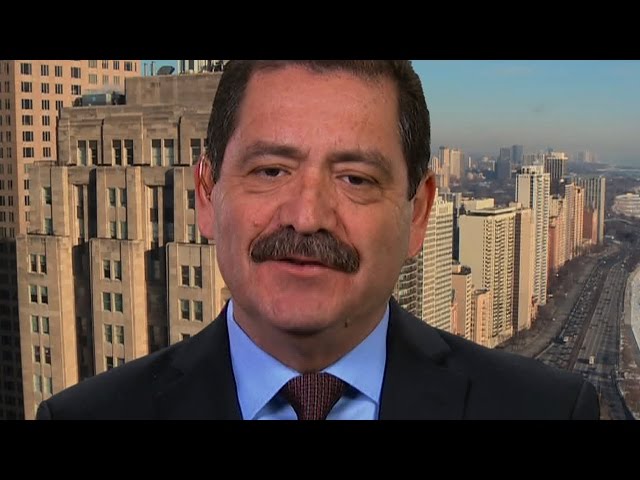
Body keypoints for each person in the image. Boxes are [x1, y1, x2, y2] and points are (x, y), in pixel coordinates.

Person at [36, 60, 599, 420]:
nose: (306, 217)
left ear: (419, 211)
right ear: (206, 195)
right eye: (270, 170)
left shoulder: (547, 411)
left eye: (355, 179)